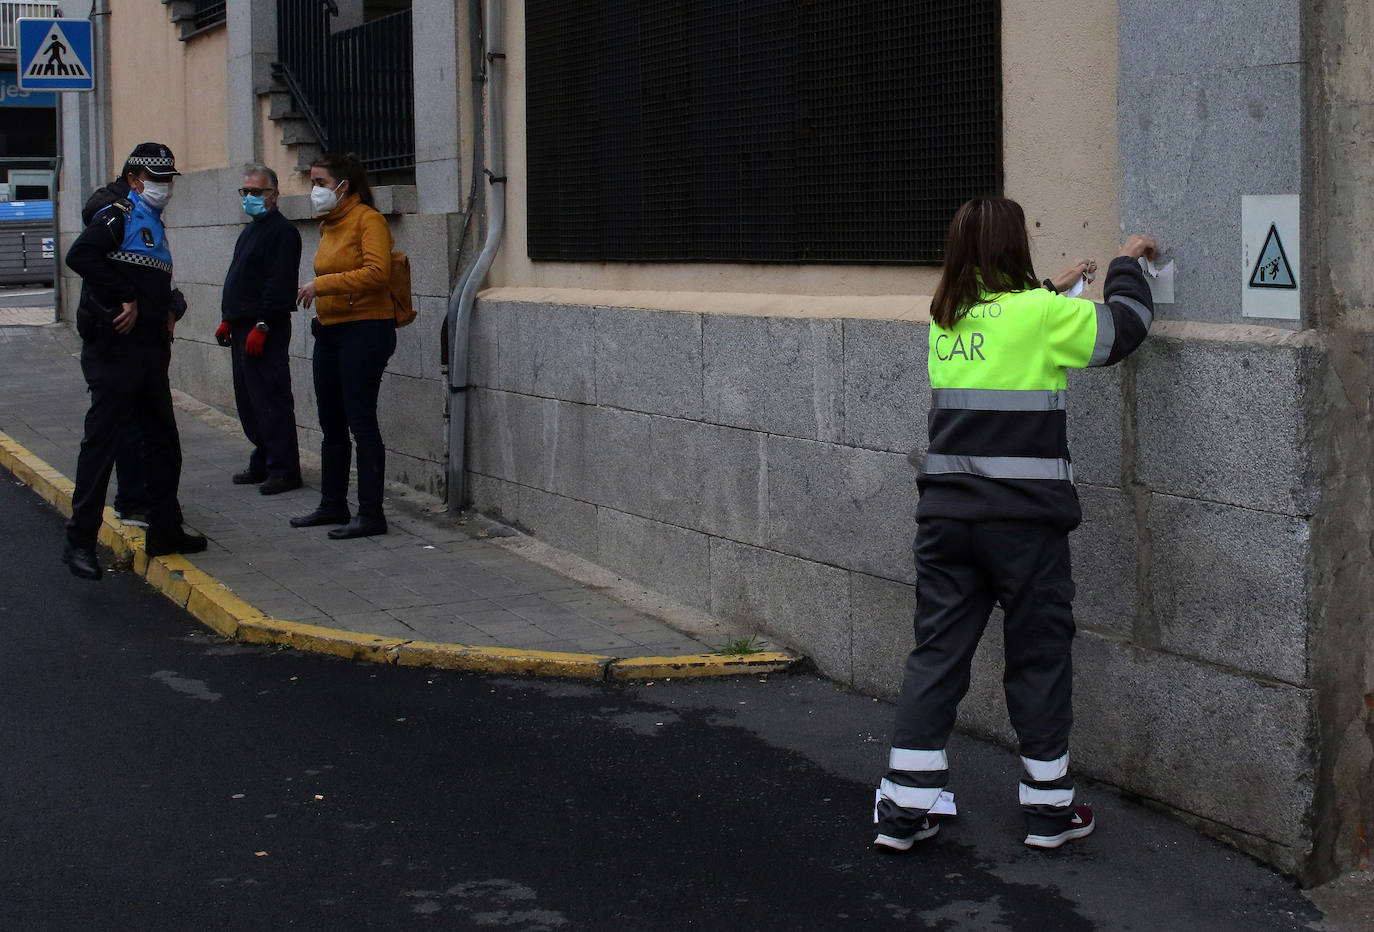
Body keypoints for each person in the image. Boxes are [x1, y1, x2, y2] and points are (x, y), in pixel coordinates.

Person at [872, 196, 1156, 852]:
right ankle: (1050, 813)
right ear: (1013, 247)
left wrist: (1051, 287)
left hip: (946, 522)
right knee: (1038, 659)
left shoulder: (947, 317)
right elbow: (1126, 330)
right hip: (1024, 527)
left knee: (936, 655)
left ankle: (905, 809)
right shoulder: (1041, 316)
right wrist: (1126, 266)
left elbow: (1004, 323)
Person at [62, 142, 207, 580]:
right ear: (134, 179)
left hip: (148, 352)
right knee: (102, 445)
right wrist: (122, 296)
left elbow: (157, 283)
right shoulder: (118, 215)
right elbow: (80, 256)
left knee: (164, 444)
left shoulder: (154, 224)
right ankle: (79, 542)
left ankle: (164, 529)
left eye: (167, 180)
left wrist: (171, 307)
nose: (163, 188)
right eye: (156, 180)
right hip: (115, 350)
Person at [291, 152, 397, 539]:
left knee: (360, 420)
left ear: (342, 186)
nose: (314, 190)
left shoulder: (369, 220)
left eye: (319, 182)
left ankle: (371, 513)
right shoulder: (329, 224)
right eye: (313, 182)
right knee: (331, 421)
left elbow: (376, 273)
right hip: (331, 328)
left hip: (366, 328)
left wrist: (322, 285)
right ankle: (332, 503)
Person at [215, 165, 304, 495]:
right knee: (251, 399)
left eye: (257, 192)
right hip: (242, 325)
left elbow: (278, 284)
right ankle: (264, 458)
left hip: (264, 328)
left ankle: (284, 468)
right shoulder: (251, 230)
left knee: (270, 396)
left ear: (274, 195)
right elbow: (241, 277)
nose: (250, 198)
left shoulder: (281, 232)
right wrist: (228, 317)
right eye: (246, 192)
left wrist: (263, 325)